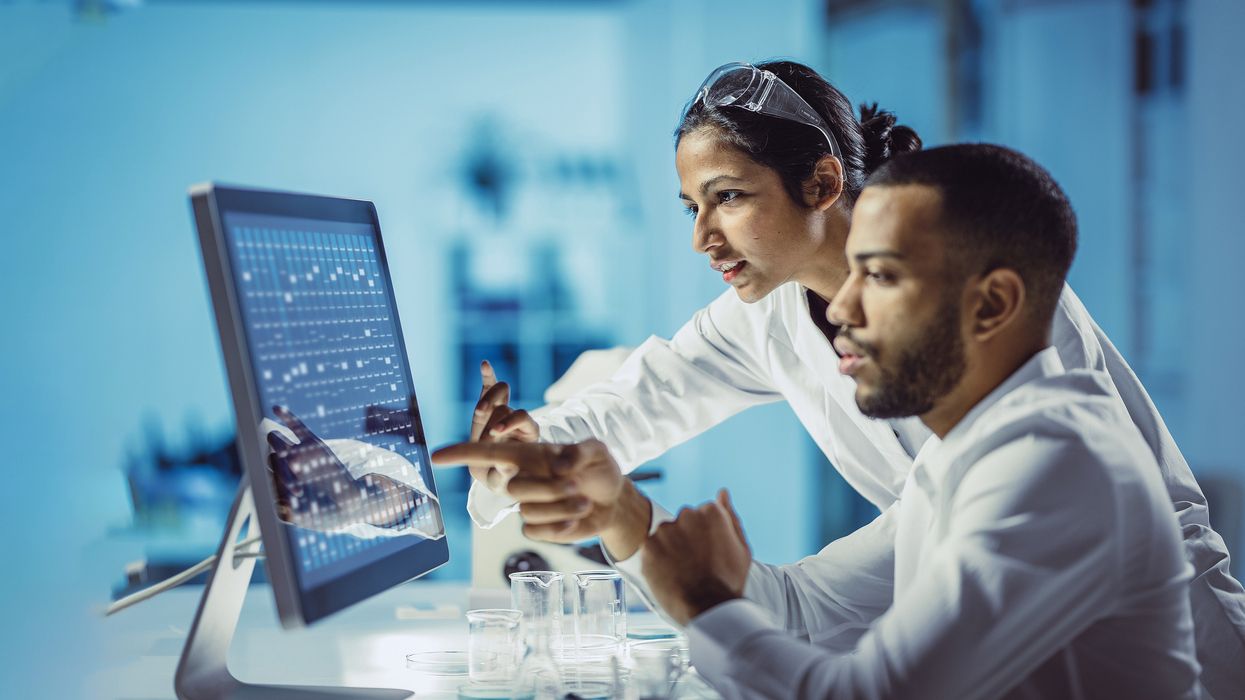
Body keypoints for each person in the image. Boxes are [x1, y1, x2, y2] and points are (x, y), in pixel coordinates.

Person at [463, 61, 1245, 696]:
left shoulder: (1034, 433)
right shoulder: (932, 450)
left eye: (728, 197)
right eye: (690, 208)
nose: (843, 313)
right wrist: (572, 476)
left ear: (824, 184)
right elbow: (644, 407)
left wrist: (702, 596)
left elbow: (1039, 489)